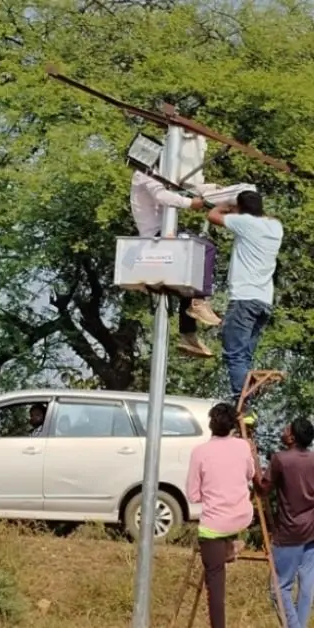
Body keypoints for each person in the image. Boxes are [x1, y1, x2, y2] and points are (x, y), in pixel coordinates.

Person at [206, 190, 282, 415]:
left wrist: (227, 204)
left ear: (241, 209)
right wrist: (238, 208)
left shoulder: (244, 223)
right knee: (244, 356)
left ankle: (242, 404)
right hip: (264, 301)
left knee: (234, 354)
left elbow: (212, 215)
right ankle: (248, 401)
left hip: (244, 299)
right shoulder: (275, 227)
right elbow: (266, 217)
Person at [130, 170, 221, 357]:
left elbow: (182, 189)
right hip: (155, 235)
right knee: (206, 248)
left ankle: (188, 334)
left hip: (163, 233)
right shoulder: (145, 173)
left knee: (189, 278)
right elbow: (162, 196)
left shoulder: (161, 172)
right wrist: (190, 204)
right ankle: (199, 302)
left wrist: (213, 190)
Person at [185, 402, 256, 628]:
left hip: (215, 525)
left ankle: (227, 549)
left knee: (215, 584)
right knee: (225, 531)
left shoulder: (200, 452)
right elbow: (251, 474)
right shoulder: (243, 447)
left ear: (210, 425)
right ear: (234, 426)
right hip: (242, 517)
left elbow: (193, 495)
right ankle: (231, 547)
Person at [256, 418, 314, 628]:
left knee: (279, 589)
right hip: (311, 531)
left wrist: (254, 473)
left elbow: (263, 489)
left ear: (291, 437)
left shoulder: (281, 459)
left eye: (286, 428)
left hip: (290, 533)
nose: (283, 429)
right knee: (307, 585)